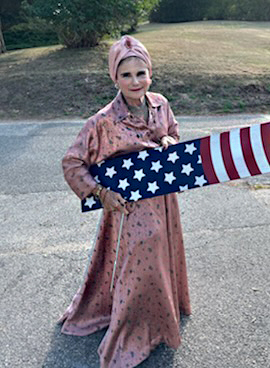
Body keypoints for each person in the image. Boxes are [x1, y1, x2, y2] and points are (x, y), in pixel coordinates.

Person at [59, 35, 191, 367]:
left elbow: (173, 130)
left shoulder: (160, 103)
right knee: (140, 263)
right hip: (128, 207)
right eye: (126, 75)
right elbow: (72, 163)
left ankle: (162, 314)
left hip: (163, 198)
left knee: (161, 254)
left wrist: (167, 138)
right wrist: (101, 193)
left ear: (151, 73)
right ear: (114, 78)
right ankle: (135, 328)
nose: (135, 81)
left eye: (141, 73)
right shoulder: (103, 120)